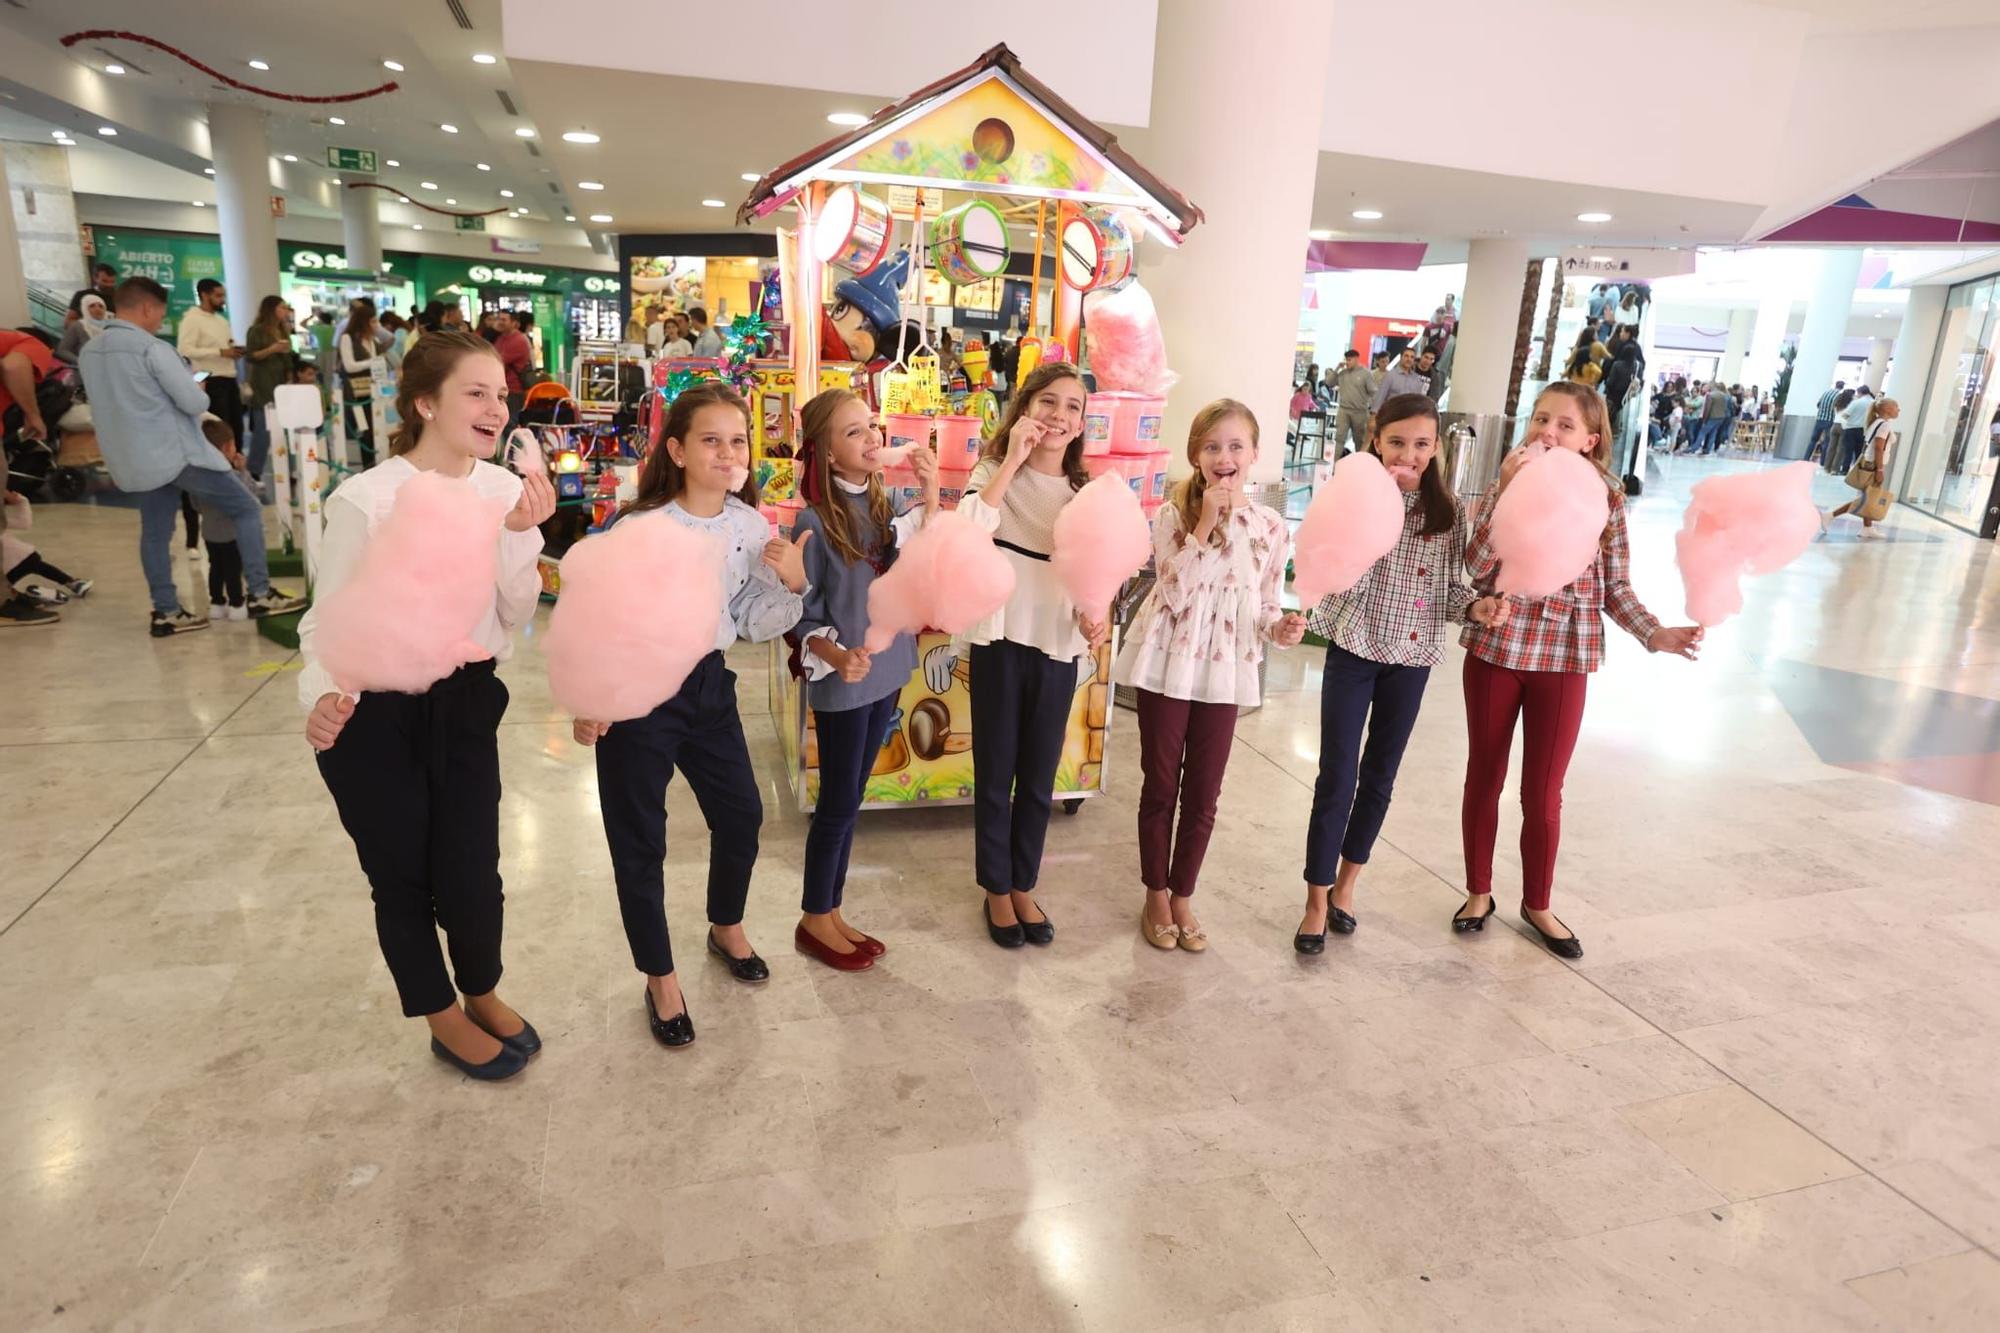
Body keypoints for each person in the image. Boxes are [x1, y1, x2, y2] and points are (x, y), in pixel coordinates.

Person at [300, 330, 555, 1080]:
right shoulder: (367, 498)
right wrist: (319, 695)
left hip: (467, 699)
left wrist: (519, 536)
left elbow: (514, 614)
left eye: (501, 394)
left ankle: (481, 987)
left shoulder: (505, 491)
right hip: (373, 711)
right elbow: (324, 622)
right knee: (402, 873)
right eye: (475, 392)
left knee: (474, 866)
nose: (495, 408)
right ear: (424, 402)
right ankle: (440, 1011)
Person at [572, 383, 807, 1047]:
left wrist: (791, 581)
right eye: (711, 439)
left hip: (707, 687)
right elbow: (593, 616)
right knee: (640, 839)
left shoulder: (750, 526)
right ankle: (660, 975)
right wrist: (591, 694)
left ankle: (724, 924)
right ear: (675, 448)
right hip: (637, 690)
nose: (727, 452)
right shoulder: (636, 526)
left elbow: (753, 622)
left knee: (742, 814)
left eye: (738, 440)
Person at [1455, 384, 1703, 957]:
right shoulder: (1508, 483)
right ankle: (1478, 892)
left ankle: (1536, 903)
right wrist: (1505, 491)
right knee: (1484, 776)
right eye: (1541, 419)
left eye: (1565, 426)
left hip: (1566, 656)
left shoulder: (1608, 498)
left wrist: (1654, 632)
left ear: (1591, 441)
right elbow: (1474, 568)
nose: (1548, 432)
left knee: (1543, 792)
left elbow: (1614, 585)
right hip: (1497, 646)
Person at [1295, 394, 1508, 953]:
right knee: (1336, 776)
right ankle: (1315, 901)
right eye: (1396, 442)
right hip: (1353, 648)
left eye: (1420, 444)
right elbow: (1329, 568)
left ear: (1436, 447)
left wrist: (1475, 607)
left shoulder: (1449, 514)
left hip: (1411, 659)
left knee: (1379, 777)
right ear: (1374, 438)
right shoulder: (1353, 497)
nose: (1408, 455)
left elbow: (1447, 590)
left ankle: (1346, 888)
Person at [1113, 399, 1306, 952]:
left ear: (1255, 455)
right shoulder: (1173, 512)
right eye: (1213, 446)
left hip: (1225, 669)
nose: (1225, 456)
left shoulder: (1270, 525)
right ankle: (1154, 892)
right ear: (1196, 456)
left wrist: (1281, 628)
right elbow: (1170, 592)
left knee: (1204, 793)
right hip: (1168, 659)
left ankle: (1183, 894)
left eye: (1236, 446)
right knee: (1160, 783)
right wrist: (1205, 523)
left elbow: (1264, 604)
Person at [789, 388, 940, 970]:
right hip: (845, 684)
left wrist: (929, 492)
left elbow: (925, 562)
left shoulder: (886, 505)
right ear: (825, 454)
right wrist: (834, 651)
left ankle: (831, 910)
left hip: (889, 672)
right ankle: (812, 917)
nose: (871, 438)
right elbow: (802, 616)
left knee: (854, 799)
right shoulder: (813, 522)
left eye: (870, 427)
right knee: (837, 803)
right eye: (853, 432)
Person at [956, 362, 1098, 949]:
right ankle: (995, 886)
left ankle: (1024, 883)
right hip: (1001, 634)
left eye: (1073, 407)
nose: (1059, 416)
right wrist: (1012, 459)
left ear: (1083, 423)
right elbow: (967, 527)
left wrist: (1096, 611)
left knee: (1039, 777)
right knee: (996, 773)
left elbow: (1099, 573)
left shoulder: (1084, 492)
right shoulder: (994, 471)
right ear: (1024, 407)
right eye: (1048, 402)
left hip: (1058, 642)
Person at [77, 276, 307, 636]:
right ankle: (261, 593)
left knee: (154, 532)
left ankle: (166, 610)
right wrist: (195, 386)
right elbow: (194, 403)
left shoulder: (90, 352)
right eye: (158, 314)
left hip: (131, 457)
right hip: (175, 451)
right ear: (148, 308)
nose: (158, 321)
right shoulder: (151, 349)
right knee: (246, 508)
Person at [193, 416, 265, 620]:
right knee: (233, 570)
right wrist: (243, 471)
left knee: (215, 568)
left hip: (208, 532)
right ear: (226, 448)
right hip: (231, 533)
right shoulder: (230, 477)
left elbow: (195, 504)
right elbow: (248, 497)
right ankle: (236, 604)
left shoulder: (199, 478)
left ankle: (216, 602)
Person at [177, 278, 246, 434]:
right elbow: (184, 350)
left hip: (229, 377)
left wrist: (233, 351)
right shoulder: (191, 319)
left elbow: (224, 347)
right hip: (207, 378)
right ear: (204, 295)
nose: (223, 300)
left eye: (223, 296)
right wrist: (220, 352)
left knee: (236, 429)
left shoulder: (221, 320)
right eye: (218, 296)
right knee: (219, 430)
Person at [1827, 396, 1900, 536]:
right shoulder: (1884, 425)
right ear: (1888, 409)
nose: (1899, 410)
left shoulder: (1875, 422)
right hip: (1873, 465)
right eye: (1896, 407)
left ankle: (1867, 528)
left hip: (1868, 462)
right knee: (1866, 498)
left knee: (1868, 496)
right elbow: (1879, 448)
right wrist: (1880, 469)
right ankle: (1830, 516)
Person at [242, 296, 295, 481]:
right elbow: (251, 355)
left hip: (281, 384)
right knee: (262, 431)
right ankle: (254, 470)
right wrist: (273, 349)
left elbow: (289, 359)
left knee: (286, 430)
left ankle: (290, 470)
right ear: (271, 309)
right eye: (282, 307)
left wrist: (289, 379)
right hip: (263, 384)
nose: (285, 311)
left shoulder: (283, 330)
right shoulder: (256, 331)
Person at [339, 303, 383, 468]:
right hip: (356, 392)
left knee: (375, 429)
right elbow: (349, 365)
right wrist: (372, 362)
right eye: (372, 321)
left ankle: (374, 464)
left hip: (375, 391)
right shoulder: (347, 338)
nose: (376, 325)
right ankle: (366, 466)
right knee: (363, 429)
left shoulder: (373, 341)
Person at [1330, 348, 1372, 453]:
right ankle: (1334, 466)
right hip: (1343, 410)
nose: (1347, 362)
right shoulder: (1343, 373)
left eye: (1350, 360)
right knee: (1339, 439)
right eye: (1346, 360)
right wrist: (1337, 369)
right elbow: (1329, 382)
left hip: (1359, 412)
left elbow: (1373, 392)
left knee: (1359, 441)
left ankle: (1359, 466)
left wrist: (1372, 410)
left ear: (1357, 359)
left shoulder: (1366, 374)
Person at [493, 310, 533, 421]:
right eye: (499, 319)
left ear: (514, 323)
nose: (500, 322)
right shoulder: (501, 338)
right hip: (504, 388)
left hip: (514, 390)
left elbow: (498, 361)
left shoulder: (518, 340)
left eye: (504, 320)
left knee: (511, 424)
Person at [1370, 346, 1430, 415]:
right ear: (1401, 358)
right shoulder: (1390, 375)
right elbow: (1380, 398)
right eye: (1406, 356)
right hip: (1391, 417)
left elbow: (1418, 402)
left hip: (1408, 418)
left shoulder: (1416, 379)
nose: (1409, 359)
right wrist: (1373, 415)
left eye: (1412, 357)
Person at [55, 293, 109, 366]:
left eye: (101, 306)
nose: (97, 309)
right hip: (83, 372)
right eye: (92, 306)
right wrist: (81, 362)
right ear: (84, 309)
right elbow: (62, 350)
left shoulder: (110, 327)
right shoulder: (78, 326)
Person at [1836, 385, 1875, 473]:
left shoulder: (1856, 402)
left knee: (1848, 450)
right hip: (1864, 430)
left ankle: (1845, 470)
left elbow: (1845, 415)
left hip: (1851, 428)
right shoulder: (1873, 402)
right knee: (1859, 451)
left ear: (1860, 393)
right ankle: (1856, 470)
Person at [1688, 380, 1733, 455]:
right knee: (1713, 433)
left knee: (1702, 432)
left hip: (1712, 417)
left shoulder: (1710, 395)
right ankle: (1708, 449)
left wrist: (1704, 419)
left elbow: (1707, 408)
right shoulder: (1724, 395)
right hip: (1721, 417)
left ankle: (1694, 448)